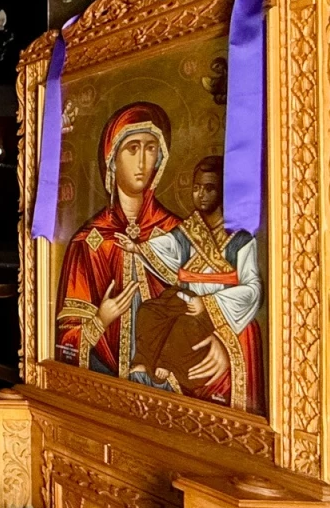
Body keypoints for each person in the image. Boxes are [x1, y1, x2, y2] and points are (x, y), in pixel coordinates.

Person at [54, 103, 182, 378]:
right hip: (107, 379)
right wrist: (101, 320)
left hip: (170, 381)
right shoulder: (89, 242)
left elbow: (207, 305)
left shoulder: (176, 233)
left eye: (151, 148)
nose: (142, 162)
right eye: (132, 149)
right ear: (112, 159)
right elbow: (65, 341)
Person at [133, 156, 263, 412]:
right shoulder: (188, 231)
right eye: (196, 188)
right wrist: (138, 248)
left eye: (209, 188)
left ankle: (167, 365)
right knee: (149, 311)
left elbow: (253, 288)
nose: (201, 194)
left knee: (186, 325)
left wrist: (208, 304)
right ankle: (146, 361)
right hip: (185, 298)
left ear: (223, 192)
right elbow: (168, 248)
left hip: (216, 310)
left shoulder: (241, 240)